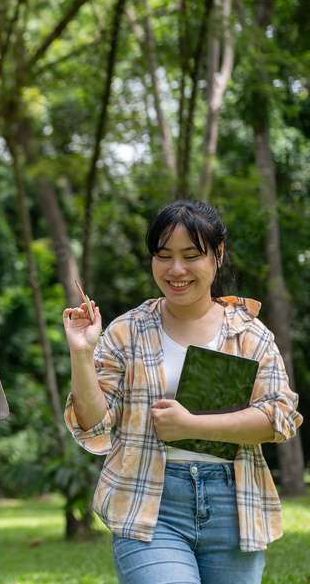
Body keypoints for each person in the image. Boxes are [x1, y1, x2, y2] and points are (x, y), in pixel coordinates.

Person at [62, 199, 303, 584]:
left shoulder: (250, 334)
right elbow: (94, 425)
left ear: (217, 256)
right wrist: (82, 353)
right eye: (164, 256)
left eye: (191, 256)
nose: (176, 270)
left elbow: (280, 417)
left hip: (234, 506)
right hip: (149, 504)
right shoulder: (127, 332)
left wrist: (192, 425)